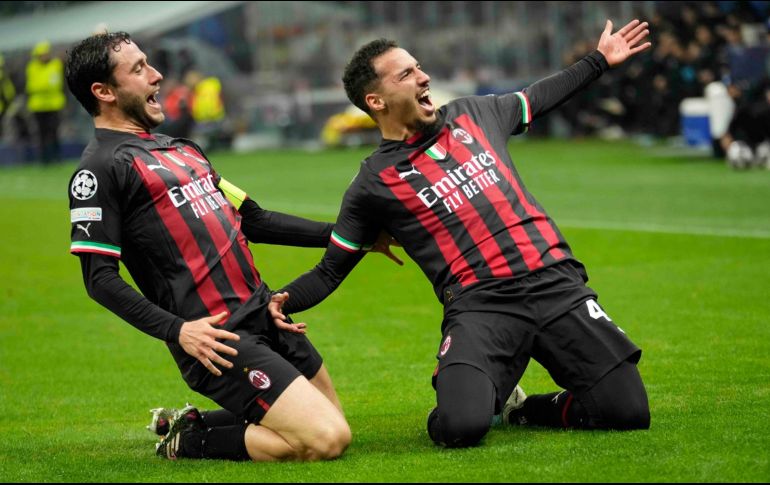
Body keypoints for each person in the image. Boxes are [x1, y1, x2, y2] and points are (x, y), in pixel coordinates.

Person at [270, 20, 653, 448]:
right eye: (406, 74)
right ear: (376, 100)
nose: (423, 76)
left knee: (627, 412)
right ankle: (475, 396)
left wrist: (598, 61)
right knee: (460, 428)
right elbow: (330, 270)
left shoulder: (476, 114)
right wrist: (282, 299)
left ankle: (523, 410)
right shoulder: (373, 183)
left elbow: (540, 96)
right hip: (482, 305)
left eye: (418, 67)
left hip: (555, 284)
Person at [64, 31, 398, 462]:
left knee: (331, 420)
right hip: (217, 338)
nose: (157, 75)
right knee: (325, 440)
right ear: (104, 92)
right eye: (139, 69)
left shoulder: (184, 151)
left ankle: (192, 422)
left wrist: (355, 236)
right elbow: (100, 280)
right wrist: (179, 331)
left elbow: (254, 220)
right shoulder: (99, 170)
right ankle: (187, 444)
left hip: (266, 313)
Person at [26, 40, 66, 164]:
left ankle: (56, 157)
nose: (44, 56)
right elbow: (32, 86)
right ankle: (44, 159)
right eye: (41, 54)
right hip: (38, 105)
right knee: (41, 133)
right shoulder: (32, 67)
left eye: (45, 53)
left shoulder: (56, 65)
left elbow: (56, 84)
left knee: (54, 132)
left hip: (54, 104)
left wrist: (43, 87)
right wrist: (45, 86)